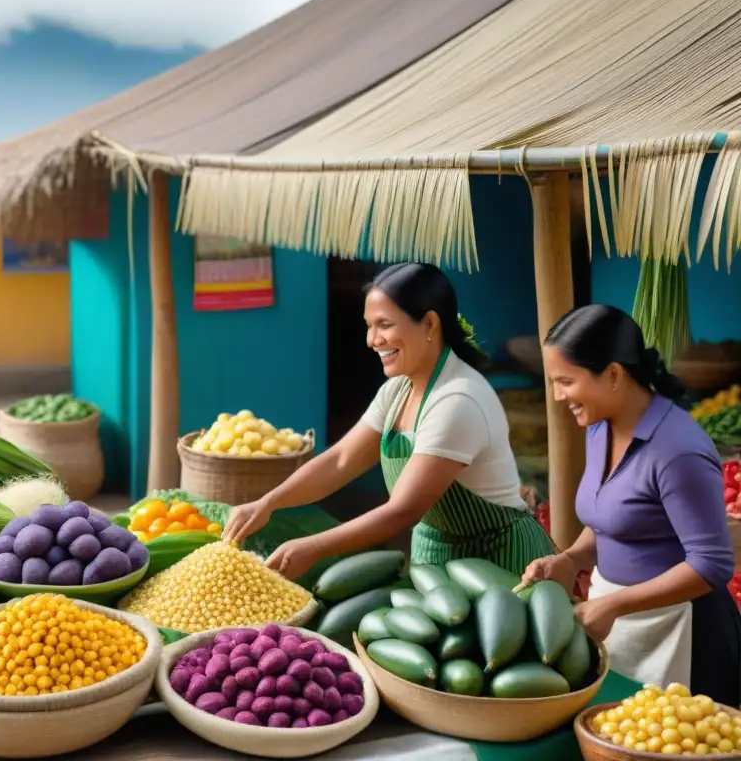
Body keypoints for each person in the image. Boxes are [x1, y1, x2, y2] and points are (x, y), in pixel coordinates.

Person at [223, 262, 554, 579]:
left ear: (429, 324)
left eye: (384, 325)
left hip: (501, 562)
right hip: (439, 555)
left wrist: (315, 547)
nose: (372, 340)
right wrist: (268, 503)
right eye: (369, 326)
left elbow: (402, 510)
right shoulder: (398, 390)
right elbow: (342, 459)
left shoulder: (457, 401)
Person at [521, 304, 740, 704]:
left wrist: (614, 605)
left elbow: (712, 564)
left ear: (614, 375)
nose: (556, 396)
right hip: (623, 621)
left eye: (566, 381)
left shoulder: (679, 450)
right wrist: (571, 558)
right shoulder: (600, 428)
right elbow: (612, 520)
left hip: (683, 633)